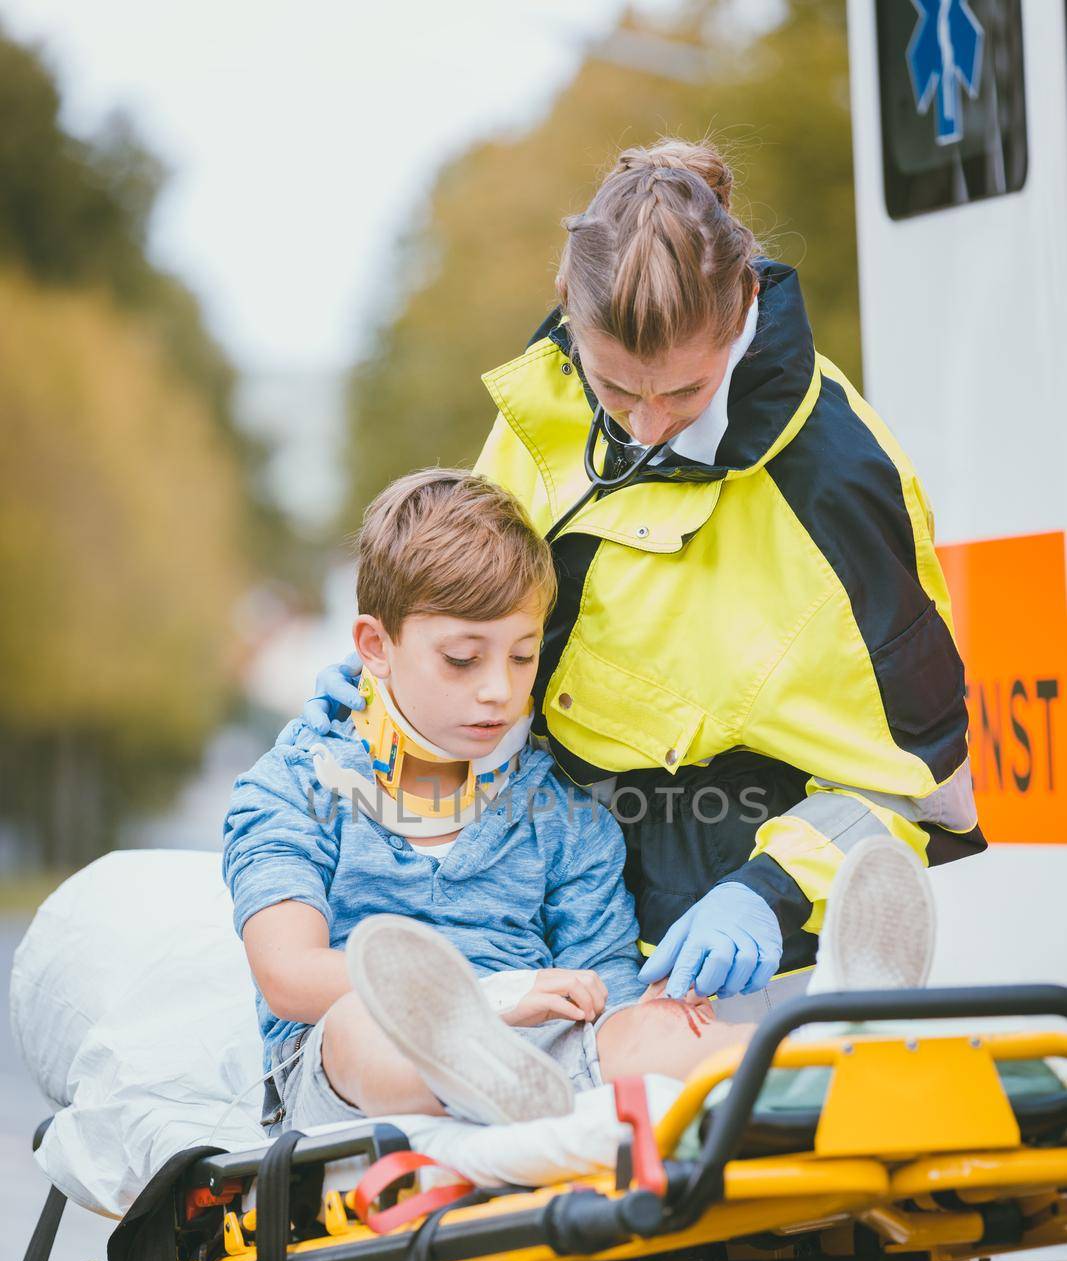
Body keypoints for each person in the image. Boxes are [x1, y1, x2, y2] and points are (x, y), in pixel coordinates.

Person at [307, 137, 981, 1032]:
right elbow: (463, 603)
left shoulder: (837, 483)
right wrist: (386, 692)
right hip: (548, 892)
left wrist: (766, 893)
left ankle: (848, 1016)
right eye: (618, 393)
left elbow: (914, 781)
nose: (649, 427)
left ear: (744, 304)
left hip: (741, 938)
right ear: (569, 321)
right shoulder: (548, 406)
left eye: (684, 392)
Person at [222, 468, 754, 1136]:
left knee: (655, 1030)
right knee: (362, 1024)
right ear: (374, 647)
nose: (498, 692)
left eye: (523, 656)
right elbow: (289, 975)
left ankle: (825, 1049)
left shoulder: (561, 811)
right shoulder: (292, 789)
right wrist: (491, 999)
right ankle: (484, 1087)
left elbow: (603, 989)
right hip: (355, 1065)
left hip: (539, 1053)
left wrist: (650, 1015)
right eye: (462, 659)